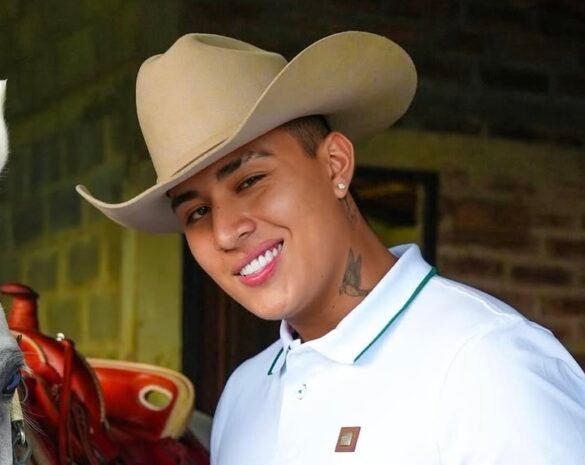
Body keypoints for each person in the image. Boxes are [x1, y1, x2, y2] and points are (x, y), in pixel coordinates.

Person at [77, 32, 585, 464]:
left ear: (336, 164)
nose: (227, 231)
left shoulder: (485, 364)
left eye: (250, 180)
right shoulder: (243, 396)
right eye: (196, 213)